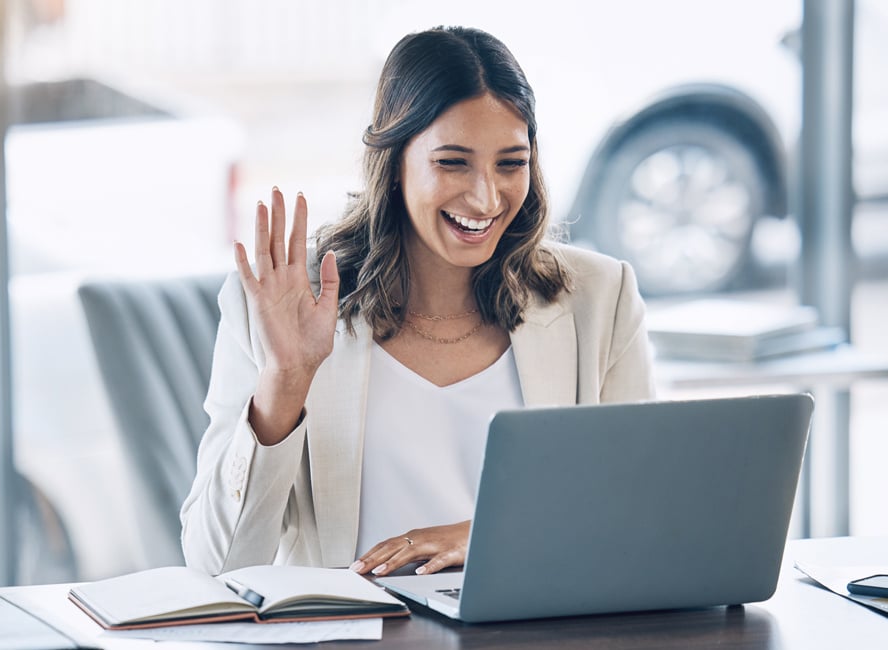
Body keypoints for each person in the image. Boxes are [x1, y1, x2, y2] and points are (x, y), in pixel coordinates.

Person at [180, 25, 655, 578]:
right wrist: (286, 379)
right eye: (452, 162)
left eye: (511, 163)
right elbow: (216, 565)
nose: (486, 197)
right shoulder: (282, 302)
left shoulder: (599, 298)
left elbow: (640, 515)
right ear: (394, 160)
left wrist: (489, 539)